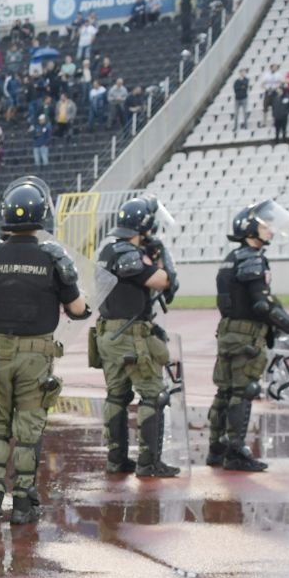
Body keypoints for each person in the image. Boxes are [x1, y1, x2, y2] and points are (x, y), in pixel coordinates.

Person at [0, 177, 88, 525]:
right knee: (29, 428)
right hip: (34, 356)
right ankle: (22, 501)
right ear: (42, 215)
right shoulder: (53, 257)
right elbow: (78, 309)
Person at [209, 201, 289, 473]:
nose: (270, 230)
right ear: (250, 228)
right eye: (264, 225)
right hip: (245, 334)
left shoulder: (232, 256)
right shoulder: (252, 257)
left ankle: (216, 448)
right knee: (244, 390)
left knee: (225, 390)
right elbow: (262, 304)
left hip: (228, 330)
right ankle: (236, 451)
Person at [92, 194, 181, 479]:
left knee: (116, 396)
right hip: (130, 334)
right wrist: (162, 255)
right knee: (153, 395)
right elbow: (162, 281)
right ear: (143, 227)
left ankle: (117, 459)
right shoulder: (128, 254)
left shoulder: (108, 249)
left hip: (109, 333)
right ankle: (149, 462)